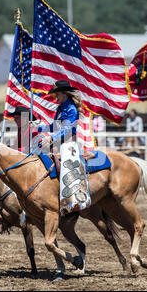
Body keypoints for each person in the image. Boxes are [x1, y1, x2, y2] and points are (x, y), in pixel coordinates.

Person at [33, 79, 91, 216]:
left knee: (67, 166)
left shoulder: (71, 109)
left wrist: (51, 137)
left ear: (64, 93)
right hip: (59, 143)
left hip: (69, 144)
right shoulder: (60, 108)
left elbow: (68, 129)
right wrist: (38, 127)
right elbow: (54, 126)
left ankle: (74, 197)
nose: (55, 97)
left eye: (57, 94)